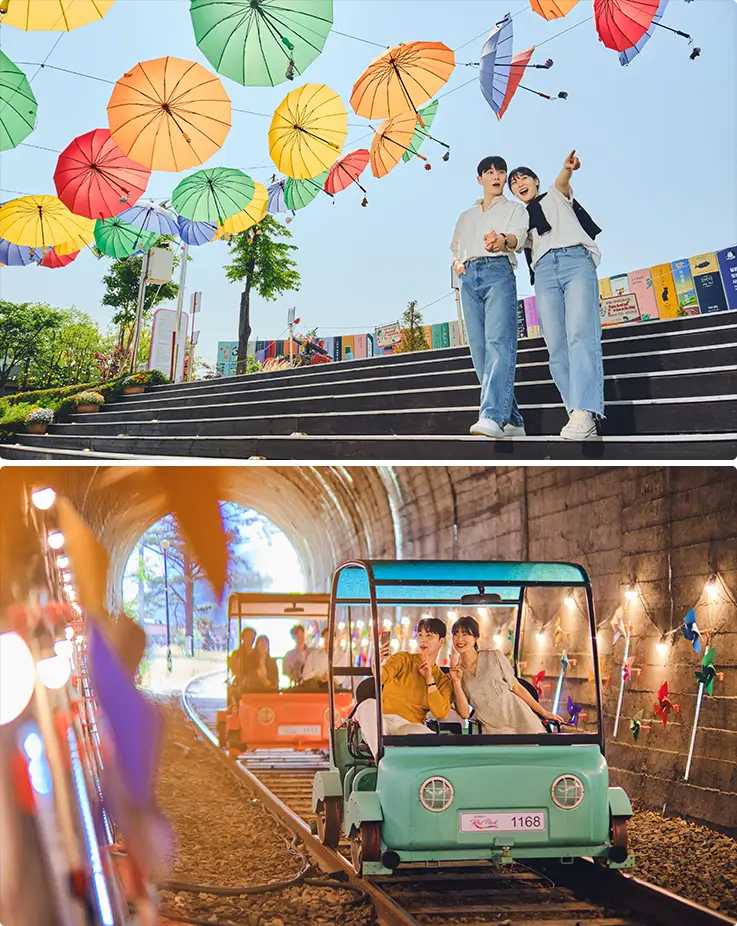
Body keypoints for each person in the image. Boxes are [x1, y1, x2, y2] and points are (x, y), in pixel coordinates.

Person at [508, 151, 604, 441]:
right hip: (544, 273)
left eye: (524, 177)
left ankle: (585, 411)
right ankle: (576, 410)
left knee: (579, 334)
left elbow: (563, 183)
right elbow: (512, 241)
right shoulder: (520, 219)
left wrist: (566, 169)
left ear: (536, 181)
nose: (519, 183)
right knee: (557, 346)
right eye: (514, 182)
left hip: (574, 260)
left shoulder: (554, 196)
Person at [450, 155, 529, 439]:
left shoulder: (515, 209)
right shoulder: (466, 215)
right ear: (480, 178)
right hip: (469, 277)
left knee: (499, 342)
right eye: (490, 172)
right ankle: (515, 422)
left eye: (501, 171)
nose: (496, 176)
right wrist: (458, 266)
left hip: (498, 271)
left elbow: (518, 237)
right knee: (480, 351)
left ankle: (492, 415)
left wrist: (502, 240)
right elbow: (455, 250)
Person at [354, 617, 452, 756]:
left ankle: (384, 758)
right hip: (381, 721)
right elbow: (382, 676)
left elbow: (440, 713)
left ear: (441, 641)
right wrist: (377, 661)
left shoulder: (441, 680)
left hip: (407, 726)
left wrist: (429, 679)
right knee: (366, 705)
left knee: (425, 734)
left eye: (429, 636)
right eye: (420, 635)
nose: (423, 640)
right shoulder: (403, 659)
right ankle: (381, 759)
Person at [450, 616, 564, 734]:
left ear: (475, 637)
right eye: (455, 634)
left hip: (518, 716)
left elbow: (517, 687)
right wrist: (456, 682)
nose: (459, 639)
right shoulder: (455, 673)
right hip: (491, 728)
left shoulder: (494, 657)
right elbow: (464, 714)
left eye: (465, 634)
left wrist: (545, 713)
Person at [227, 626, 256, 704]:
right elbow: (233, 668)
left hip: (254, 684)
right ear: (242, 637)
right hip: (240, 683)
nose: (249, 639)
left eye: (252, 637)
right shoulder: (236, 654)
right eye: (247, 636)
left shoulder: (256, 653)